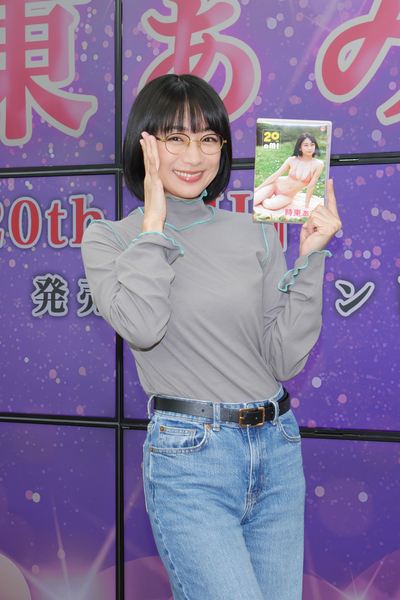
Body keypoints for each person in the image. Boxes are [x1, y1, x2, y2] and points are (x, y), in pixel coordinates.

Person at [81, 74, 341, 600]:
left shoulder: (255, 230)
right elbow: (143, 326)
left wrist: (311, 258)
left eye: (208, 138)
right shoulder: (110, 238)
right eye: (175, 138)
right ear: (145, 144)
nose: (194, 155)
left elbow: (284, 358)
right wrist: (154, 223)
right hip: (191, 460)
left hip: (277, 448)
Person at [254, 133, 324, 211]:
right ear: (300, 147)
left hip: (287, 196)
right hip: (275, 185)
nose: (309, 148)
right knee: (254, 201)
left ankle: (264, 198)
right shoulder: (292, 160)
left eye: (312, 144)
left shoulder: (318, 164)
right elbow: (276, 174)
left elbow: (311, 186)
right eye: (306, 145)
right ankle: (263, 195)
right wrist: (259, 188)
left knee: (269, 205)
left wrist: (306, 206)